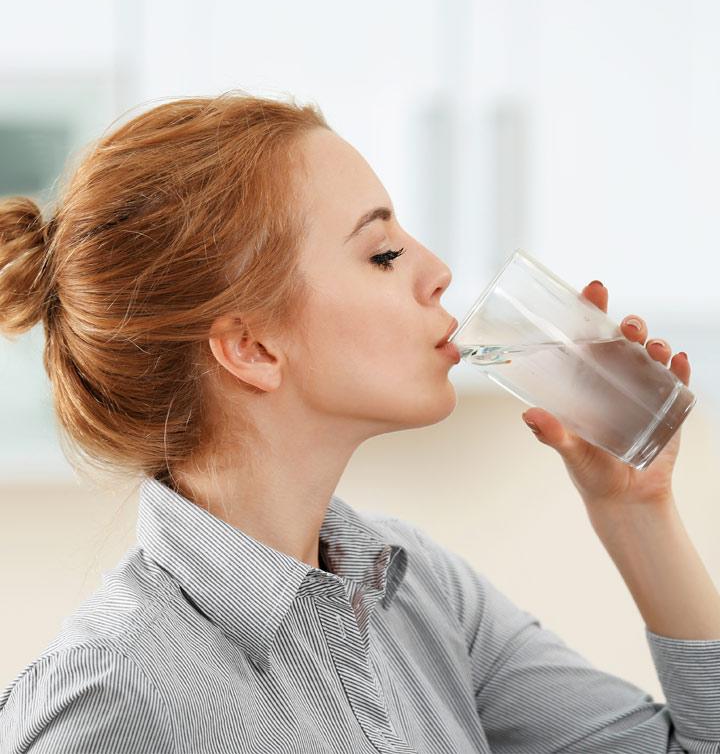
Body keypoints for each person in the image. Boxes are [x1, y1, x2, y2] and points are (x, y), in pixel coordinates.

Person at [0, 91, 717, 753]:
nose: (437, 270)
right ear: (251, 348)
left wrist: (635, 511)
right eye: (382, 254)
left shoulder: (417, 592)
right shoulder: (116, 698)